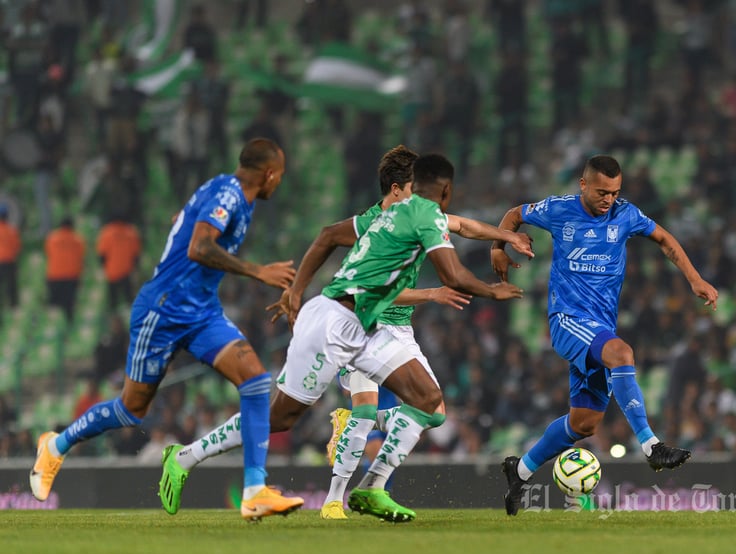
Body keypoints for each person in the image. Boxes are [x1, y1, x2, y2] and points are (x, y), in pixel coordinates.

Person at [159, 152, 525, 522]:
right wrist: (494, 291)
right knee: (281, 418)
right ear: (434, 190)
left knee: (429, 403)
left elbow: (460, 227)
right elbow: (450, 274)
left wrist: (505, 234)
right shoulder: (398, 215)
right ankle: (185, 457)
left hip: (368, 328)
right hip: (335, 324)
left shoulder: (406, 214)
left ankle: (371, 488)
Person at [29, 138, 303, 522]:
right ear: (269, 173)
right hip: (163, 310)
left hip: (201, 312)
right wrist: (258, 271)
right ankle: (55, 445)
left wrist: (186, 222)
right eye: (281, 176)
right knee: (130, 409)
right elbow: (198, 247)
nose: (280, 183)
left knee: (256, 382)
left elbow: (185, 221)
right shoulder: (229, 193)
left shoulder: (225, 189)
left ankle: (255, 491)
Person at [490, 154, 719, 516]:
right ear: (583, 185)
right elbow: (515, 214)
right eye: (601, 192)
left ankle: (519, 472)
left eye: (614, 192)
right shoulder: (558, 209)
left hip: (599, 327)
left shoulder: (625, 215)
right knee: (622, 353)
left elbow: (664, 238)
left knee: (584, 423)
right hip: (567, 319)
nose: (608, 199)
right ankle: (651, 446)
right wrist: (497, 247)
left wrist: (695, 278)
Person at [96, 212, 142, 309]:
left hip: (112, 272)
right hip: (127, 272)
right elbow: (136, 254)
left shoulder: (106, 232)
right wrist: (136, 270)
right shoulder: (131, 232)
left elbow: (102, 254)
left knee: (113, 300)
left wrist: (103, 268)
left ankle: (114, 319)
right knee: (129, 299)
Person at [44, 216, 86, 322]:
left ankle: (53, 328)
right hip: (71, 277)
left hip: (54, 276)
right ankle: (69, 326)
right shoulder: (78, 240)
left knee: (54, 306)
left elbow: (48, 253)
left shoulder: (52, 238)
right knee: (69, 306)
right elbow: (81, 257)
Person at [0, 204, 22, 317]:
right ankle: (13, 310)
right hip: (9, 261)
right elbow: (17, 247)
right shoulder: (12, 230)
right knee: (11, 287)